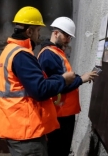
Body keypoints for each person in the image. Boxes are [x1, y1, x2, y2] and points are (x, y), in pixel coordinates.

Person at [0, 7, 76, 156]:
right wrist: (63, 79)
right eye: (38, 30)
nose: (40, 35)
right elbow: (39, 90)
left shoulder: (9, 51)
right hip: (26, 131)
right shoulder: (21, 55)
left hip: (16, 126)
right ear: (29, 32)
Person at [37, 16, 98, 156]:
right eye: (66, 35)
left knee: (60, 150)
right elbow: (58, 84)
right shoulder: (48, 55)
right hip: (59, 114)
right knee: (58, 151)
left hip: (63, 112)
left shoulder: (55, 52)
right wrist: (81, 79)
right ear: (55, 33)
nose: (68, 40)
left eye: (70, 37)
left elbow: (63, 77)